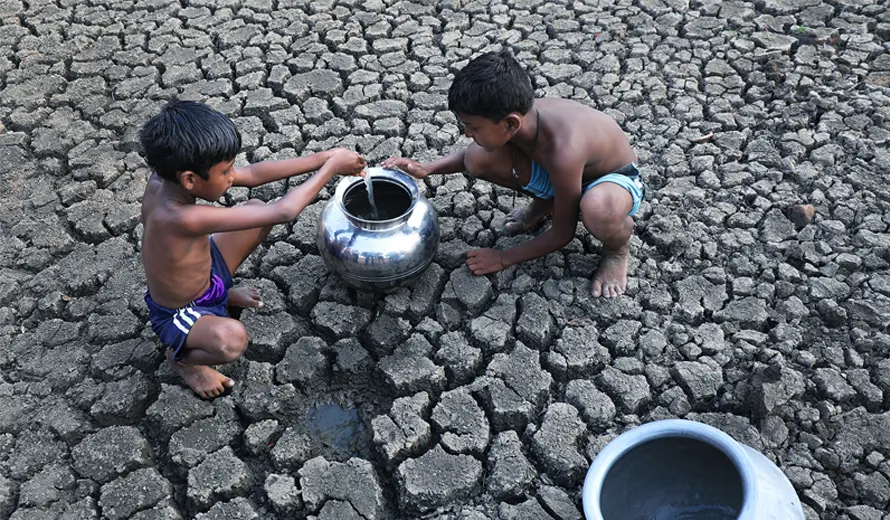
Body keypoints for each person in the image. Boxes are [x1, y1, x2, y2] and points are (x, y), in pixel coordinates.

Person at [139, 100, 366, 398]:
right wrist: (332, 169)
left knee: (255, 210)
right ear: (190, 180)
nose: (233, 176)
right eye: (227, 171)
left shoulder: (165, 177)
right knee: (231, 340)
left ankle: (220, 295)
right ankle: (182, 360)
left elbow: (254, 174)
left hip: (207, 276)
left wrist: (325, 156)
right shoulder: (178, 217)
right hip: (182, 310)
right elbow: (284, 211)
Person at [382, 50, 645, 298]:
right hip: (563, 176)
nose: (467, 134)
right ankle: (546, 204)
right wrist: (427, 168)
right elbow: (468, 155)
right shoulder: (520, 117)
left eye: (473, 127)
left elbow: (562, 234)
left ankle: (616, 248)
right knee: (477, 158)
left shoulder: (564, 150)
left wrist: (502, 258)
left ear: (511, 123)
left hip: (612, 180)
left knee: (599, 211)